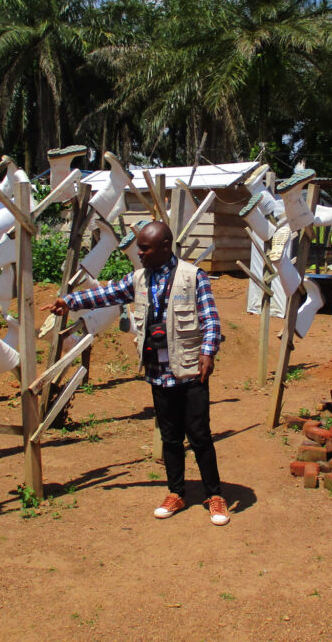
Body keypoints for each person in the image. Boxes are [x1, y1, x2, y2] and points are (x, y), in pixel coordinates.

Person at [44, 220, 229, 525]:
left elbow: (211, 319)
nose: (139, 253)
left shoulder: (193, 277)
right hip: (159, 371)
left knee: (199, 435)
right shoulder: (138, 279)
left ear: (165, 246)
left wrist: (208, 352)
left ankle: (215, 495)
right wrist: (70, 301)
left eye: (145, 248)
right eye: (139, 248)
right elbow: (108, 294)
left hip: (190, 370)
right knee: (169, 437)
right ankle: (176, 492)